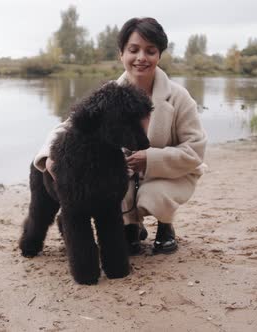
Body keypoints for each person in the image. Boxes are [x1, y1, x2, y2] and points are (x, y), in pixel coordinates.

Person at [33, 17, 207, 255]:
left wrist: (151, 158)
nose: (141, 58)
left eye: (150, 51)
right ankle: (131, 227)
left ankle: (166, 226)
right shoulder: (108, 94)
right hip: (123, 174)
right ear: (121, 54)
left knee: (151, 196)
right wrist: (47, 157)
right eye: (133, 50)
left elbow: (195, 150)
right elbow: (71, 125)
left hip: (171, 173)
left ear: (159, 55)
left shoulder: (179, 97)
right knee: (110, 183)